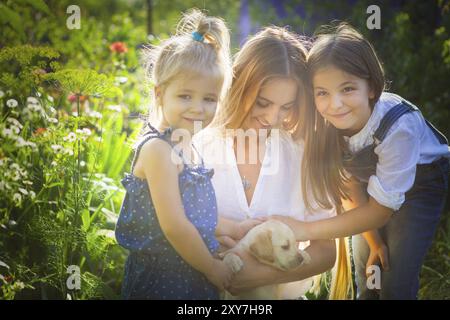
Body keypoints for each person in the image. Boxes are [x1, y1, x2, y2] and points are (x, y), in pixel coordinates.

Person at [272, 23, 450, 299]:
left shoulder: (397, 128)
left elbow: (380, 211)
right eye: (323, 93)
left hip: (421, 185)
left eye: (347, 89)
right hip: (369, 186)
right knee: (368, 274)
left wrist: (304, 230)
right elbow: (350, 188)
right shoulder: (326, 126)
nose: (336, 104)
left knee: (394, 278)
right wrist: (375, 241)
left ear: (371, 87)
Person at [194, 26, 352, 300]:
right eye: (262, 103)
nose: (271, 117)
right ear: (238, 86)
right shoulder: (199, 146)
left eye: (286, 107)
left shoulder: (299, 155)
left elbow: (326, 250)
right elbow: (171, 222)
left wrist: (263, 275)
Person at [115, 9, 259, 300]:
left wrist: (233, 227)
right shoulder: (158, 150)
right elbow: (176, 226)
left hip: (190, 277)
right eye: (185, 96)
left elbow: (194, 213)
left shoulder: (188, 146)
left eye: (209, 99)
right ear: (159, 94)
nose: (198, 108)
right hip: (162, 281)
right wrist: (211, 268)